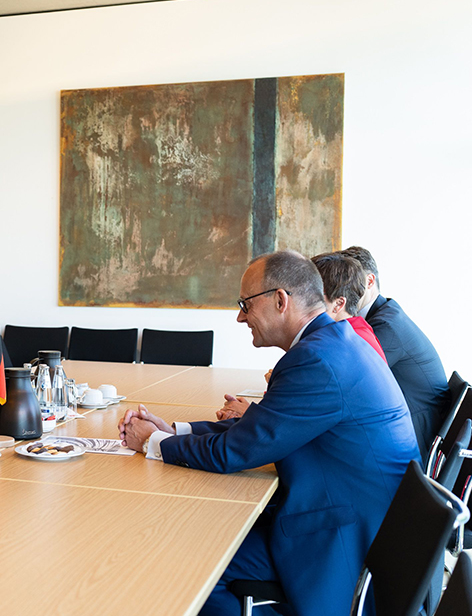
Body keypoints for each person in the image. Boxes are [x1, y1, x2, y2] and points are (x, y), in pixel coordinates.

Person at [119, 250, 419, 616]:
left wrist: (151, 442)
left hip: (342, 533)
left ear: (280, 300)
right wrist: (175, 429)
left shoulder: (317, 359)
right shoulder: (331, 342)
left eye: (245, 304)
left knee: (194, 569)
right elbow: (266, 426)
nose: (240, 316)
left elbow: (236, 452)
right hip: (358, 510)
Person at [216, 252, 385, 421]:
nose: (306, 306)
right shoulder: (343, 336)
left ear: (339, 304)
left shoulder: (329, 349)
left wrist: (252, 414)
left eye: (316, 298)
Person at [339, 245, 450, 461]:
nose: (342, 290)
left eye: (349, 280)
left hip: (417, 437)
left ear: (369, 281)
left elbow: (348, 380)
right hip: (412, 423)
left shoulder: (386, 325)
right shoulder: (383, 313)